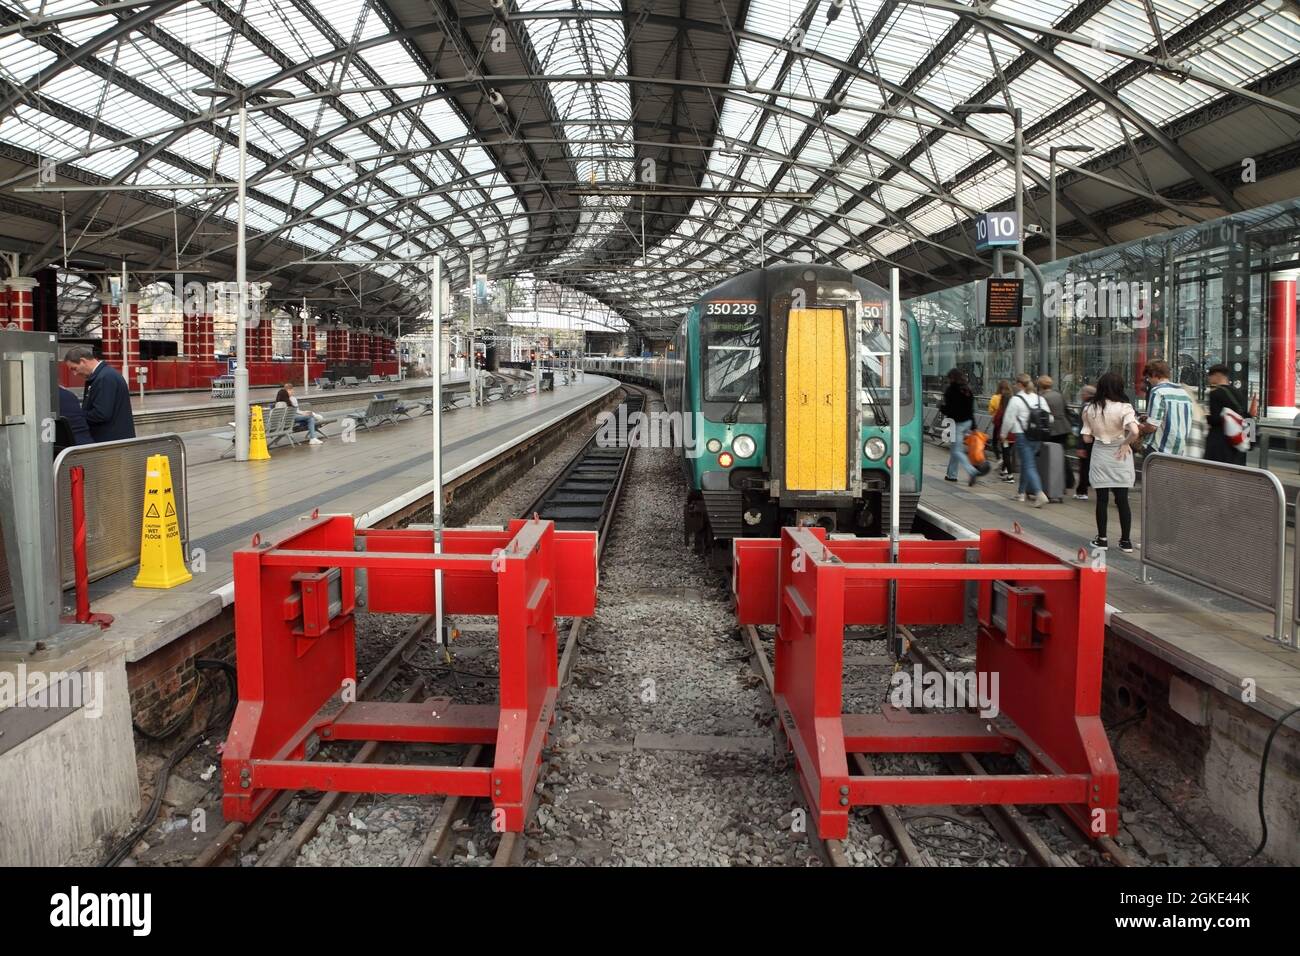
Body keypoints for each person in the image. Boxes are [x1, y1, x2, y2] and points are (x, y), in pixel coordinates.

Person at [1081, 372, 1139, 552]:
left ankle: (1102, 539)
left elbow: (1086, 438)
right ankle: (1125, 541)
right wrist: (1124, 443)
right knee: (1122, 499)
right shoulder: (1125, 408)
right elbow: (1135, 431)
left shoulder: (1090, 408)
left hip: (1100, 454)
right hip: (1120, 453)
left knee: (1102, 499)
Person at [64, 345, 135, 442]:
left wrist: (78, 415)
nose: (75, 374)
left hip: (111, 442)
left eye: (74, 368)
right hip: (112, 439)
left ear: (83, 361)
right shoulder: (102, 376)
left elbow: (101, 414)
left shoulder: (105, 378)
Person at [999, 373, 1050, 507]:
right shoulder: (1040, 399)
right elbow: (1050, 419)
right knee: (1028, 464)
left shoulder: (1016, 400)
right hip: (1037, 437)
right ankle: (1021, 493)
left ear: (1020, 385)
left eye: (1016, 383)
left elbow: (1008, 419)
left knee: (1029, 465)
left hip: (1022, 436)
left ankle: (1039, 494)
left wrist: (1003, 434)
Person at [1142, 359, 1193, 457]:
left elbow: (1152, 426)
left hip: (1159, 449)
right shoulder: (1184, 393)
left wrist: (1140, 427)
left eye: (1148, 377)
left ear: (1154, 374)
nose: (1149, 381)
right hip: (1180, 450)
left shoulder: (1157, 392)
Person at [940, 368, 981, 486]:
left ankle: (972, 471)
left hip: (956, 424)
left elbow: (950, 410)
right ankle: (951, 475)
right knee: (955, 449)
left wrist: (941, 407)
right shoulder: (967, 390)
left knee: (957, 450)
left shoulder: (951, 391)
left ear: (952, 378)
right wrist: (974, 426)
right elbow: (971, 409)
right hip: (968, 422)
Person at [1204, 363, 1248, 465]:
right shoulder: (1237, 393)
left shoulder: (1215, 393)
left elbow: (1215, 419)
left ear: (1217, 376)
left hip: (1219, 441)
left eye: (1210, 376)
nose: (1209, 379)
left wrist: (1205, 417)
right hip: (1235, 440)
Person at [1037, 374, 1074, 492]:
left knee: (1050, 457)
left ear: (1040, 385)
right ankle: (1069, 480)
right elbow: (1067, 410)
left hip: (1051, 430)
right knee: (1062, 455)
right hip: (1063, 427)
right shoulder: (1059, 395)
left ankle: (1055, 482)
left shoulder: (1041, 397)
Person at [989, 379, 1014, 481]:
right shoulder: (1014, 403)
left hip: (1005, 433)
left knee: (1005, 453)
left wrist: (1002, 433)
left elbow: (996, 418)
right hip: (1014, 433)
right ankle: (1004, 470)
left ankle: (1010, 474)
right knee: (1007, 452)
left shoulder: (1001, 408)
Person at [1074, 384, 1096, 500]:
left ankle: (1082, 491)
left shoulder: (1086, 407)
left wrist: (1080, 446)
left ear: (1087, 395)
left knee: (1084, 466)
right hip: (1096, 441)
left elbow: (1083, 428)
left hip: (1086, 441)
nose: (1082, 395)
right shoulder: (1097, 405)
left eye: (1083, 393)